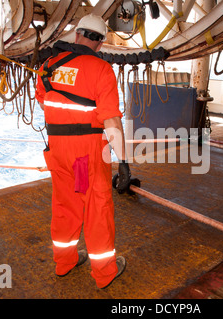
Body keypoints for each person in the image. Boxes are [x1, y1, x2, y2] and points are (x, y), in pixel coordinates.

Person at [35, 14, 132, 288]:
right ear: (100, 43)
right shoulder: (101, 70)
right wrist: (123, 161)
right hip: (86, 154)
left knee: (65, 205)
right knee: (96, 208)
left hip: (57, 151)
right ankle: (105, 273)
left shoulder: (49, 65)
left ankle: (64, 262)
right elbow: (111, 122)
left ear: (77, 35)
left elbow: (45, 102)